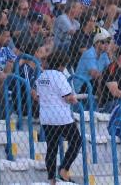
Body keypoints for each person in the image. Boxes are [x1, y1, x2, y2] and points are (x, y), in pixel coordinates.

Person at [37, 51, 81, 185]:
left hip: (46, 117)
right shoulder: (59, 76)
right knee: (76, 141)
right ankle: (63, 169)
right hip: (61, 117)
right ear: (61, 65)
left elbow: (38, 96)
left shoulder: (41, 76)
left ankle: (51, 179)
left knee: (51, 147)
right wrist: (75, 100)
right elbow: (68, 97)